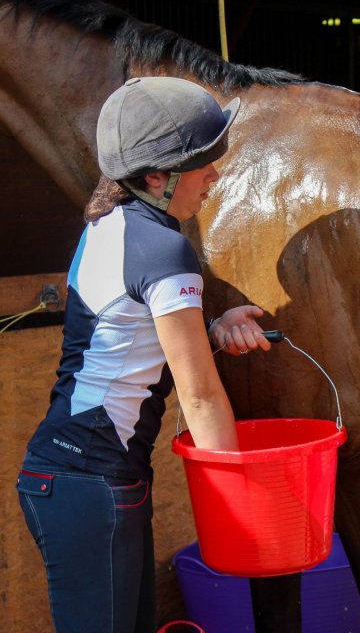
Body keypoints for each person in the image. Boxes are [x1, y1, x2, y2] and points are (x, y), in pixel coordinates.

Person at [16, 76, 271, 633]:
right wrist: (243, 511)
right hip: (91, 486)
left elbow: (127, 330)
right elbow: (201, 397)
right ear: (156, 177)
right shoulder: (165, 248)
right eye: (203, 163)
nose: (214, 176)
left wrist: (213, 326)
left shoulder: (106, 222)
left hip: (78, 480)